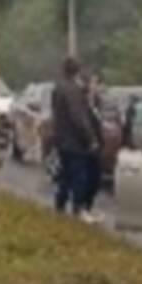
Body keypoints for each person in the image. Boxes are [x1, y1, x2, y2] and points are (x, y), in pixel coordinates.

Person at [51, 57, 99, 219]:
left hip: (62, 139)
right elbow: (78, 117)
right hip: (75, 141)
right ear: (77, 71)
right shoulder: (73, 91)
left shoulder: (58, 88)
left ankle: (60, 206)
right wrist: (90, 138)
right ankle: (78, 209)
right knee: (80, 176)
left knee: (65, 175)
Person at [78, 72, 106, 218]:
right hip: (86, 146)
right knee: (86, 177)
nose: (97, 86)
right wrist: (90, 140)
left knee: (96, 178)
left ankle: (89, 206)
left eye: (98, 82)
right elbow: (82, 123)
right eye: (94, 82)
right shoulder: (81, 102)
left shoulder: (97, 102)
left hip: (97, 145)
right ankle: (82, 208)